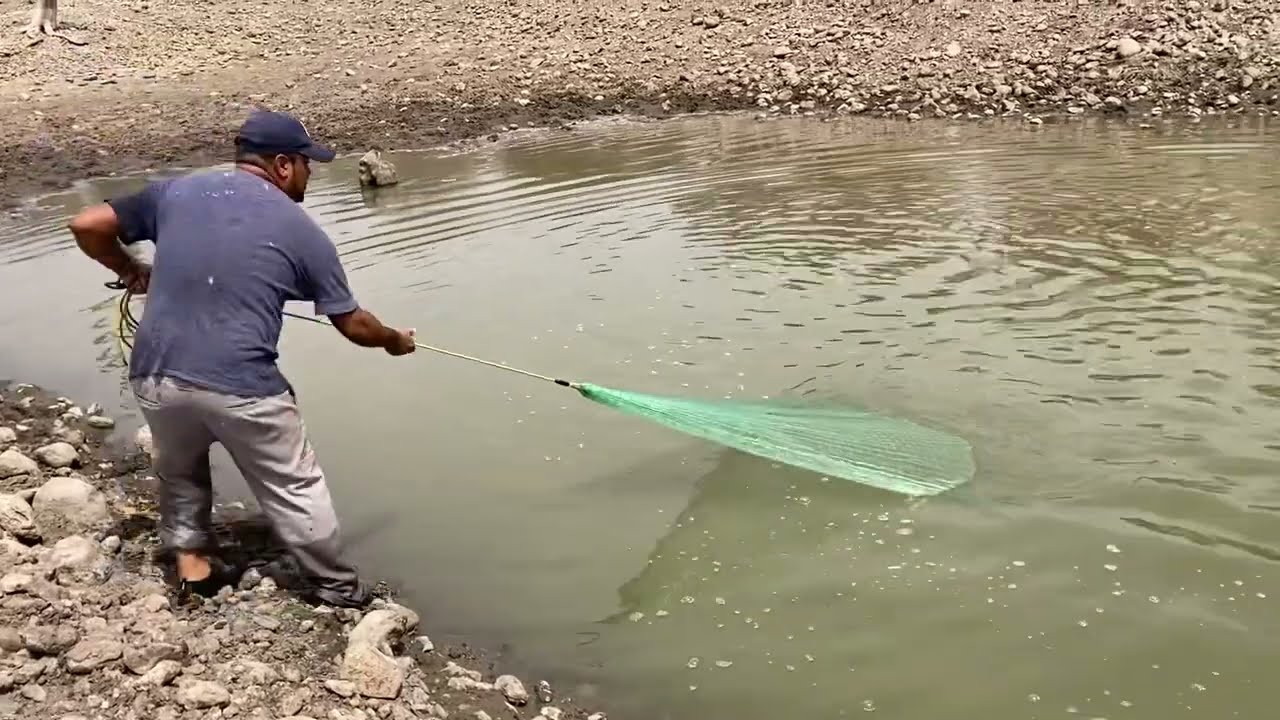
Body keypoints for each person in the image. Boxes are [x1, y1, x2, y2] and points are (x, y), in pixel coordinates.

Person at [67, 109, 416, 608]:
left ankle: (193, 569)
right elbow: (354, 324)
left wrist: (129, 268)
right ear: (281, 165)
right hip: (242, 385)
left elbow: (86, 224)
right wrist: (393, 340)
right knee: (296, 487)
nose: (310, 173)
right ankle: (338, 589)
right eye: (305, 163)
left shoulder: (175, 192)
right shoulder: (303, 232)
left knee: (180, 469)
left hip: (155, 374)